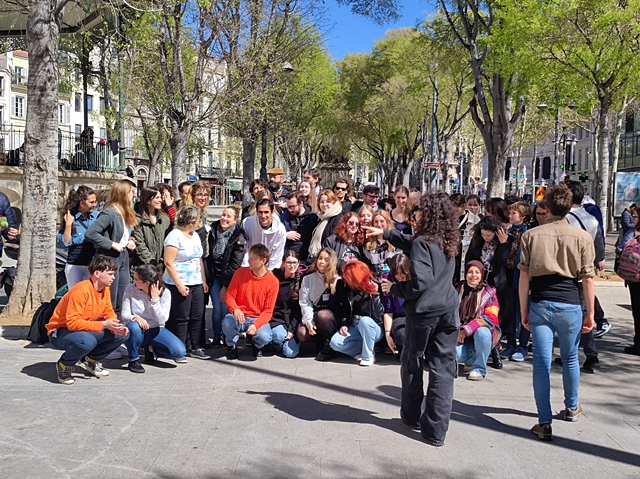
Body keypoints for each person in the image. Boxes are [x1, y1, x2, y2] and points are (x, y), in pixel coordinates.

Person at [380, 193, 461, 447]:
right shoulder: (448, 239)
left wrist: (394, 289)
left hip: (425, 313)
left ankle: (411, 416)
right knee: (442, 371)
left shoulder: (422, 242)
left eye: (419, 212)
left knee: (413, 363)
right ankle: (435, 432)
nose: (415, 217)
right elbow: (416, 245)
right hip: (449, 310)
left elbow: (421, 280)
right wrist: (387, 234)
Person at [518, 184, 595, 441]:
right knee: (571, 358)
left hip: (541, 301)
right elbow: (587, 279)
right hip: (570, 303)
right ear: (570, 206)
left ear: (547, 207)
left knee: (541, 362)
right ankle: (572, 407)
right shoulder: (582, 237)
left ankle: (544, 420)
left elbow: (524, 278)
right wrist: (590, 313)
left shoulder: (532, 236)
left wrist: (523, 310)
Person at [46, 255, 129, 385]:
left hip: (82, 329)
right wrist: (103, 324)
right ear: (97, 273)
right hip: (60, 331)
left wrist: (115, 325)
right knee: (86, 341)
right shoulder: (81, 291)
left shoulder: (105, 289)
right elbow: (73, 323)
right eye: (110, 274)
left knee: (122, 334)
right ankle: (64, 365)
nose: (113, 277)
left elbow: (108, 311)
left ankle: (91, 360)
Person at [565, 181, 605, 371]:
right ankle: (590, 355)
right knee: (582, 313)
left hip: (566, 273)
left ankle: (575, 354)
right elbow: (599, 245)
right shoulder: (592, 219)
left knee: (570, 314)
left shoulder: (564, 219)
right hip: (584, 271)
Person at [163, 205, 210, 360]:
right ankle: (179, 348)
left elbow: (199, 259)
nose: (199, 223)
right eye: (197, 220)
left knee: (197, 314)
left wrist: (203, 280)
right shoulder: (174, 236)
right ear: (190, 221)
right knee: (181, 317)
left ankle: (196, 346)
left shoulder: (195, 235)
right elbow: (168, 262)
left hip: (196, 280)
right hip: (179, 281)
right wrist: (179, 285)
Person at [465, 215, 512, 368]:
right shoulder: (477, 241)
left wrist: (503, 244)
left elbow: (501, 263)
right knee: (478, 314)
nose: (485, 238)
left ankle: (495, 348)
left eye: (489, 235)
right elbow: (469, 259)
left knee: (495, 317)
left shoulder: (504, 241)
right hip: (478, 281)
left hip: (496, 283)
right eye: (483, 234)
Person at [121, 264, 187, 372]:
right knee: (133, 327)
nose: (134, 281)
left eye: (137, 279)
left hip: (156, 328)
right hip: (137, 329)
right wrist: (136, 317)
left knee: (179, 351)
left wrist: (155, 300)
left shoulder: (165, 293)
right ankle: (134, 359)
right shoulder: (130, 289)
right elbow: (124, 315)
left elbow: (162, 320)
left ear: (146, 283)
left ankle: (151, 349)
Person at [85, 179, 137, 316]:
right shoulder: (110, 213)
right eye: (132, 192)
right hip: (109, 257)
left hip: (123, 256)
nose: (134, 195)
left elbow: (126, 233)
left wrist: (130, 241)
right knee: (111, 297)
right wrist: (111, 243)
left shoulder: (125, 212)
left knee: (123, 295)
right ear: (123, 194)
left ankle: (118, 328)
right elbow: (91, 233)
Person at [223, 243, 280, 359]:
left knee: (265, 336)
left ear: (263, 261)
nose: (249, 261)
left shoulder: (272, 282)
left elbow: (268, 311)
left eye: (253, 259)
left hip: (257, 317)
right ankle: (231, 345)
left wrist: (256, 324)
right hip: (240, 315)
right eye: (249, 258)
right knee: (227, 322)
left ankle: (257, 345)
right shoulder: (240, 273)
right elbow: (229, 296)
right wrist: (235, 309)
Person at [330, 261, 385, 366]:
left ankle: (368, 356)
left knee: (365, 321)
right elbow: (345, 309)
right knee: (335, 343)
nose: (345, 279)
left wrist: (375, 296)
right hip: (355, 323)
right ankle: (360, 351)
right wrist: (344, 324)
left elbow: (379, 315)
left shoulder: (375, 286)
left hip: (373, 326)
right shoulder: (349, 290)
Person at [455, 260, 501, 380]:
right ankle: (473, 358)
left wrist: (467, 329)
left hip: (482, 333)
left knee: (482, 333)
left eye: (477, 272)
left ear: (482, 274)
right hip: (460, 334)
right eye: (470, 272)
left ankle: (479, 368)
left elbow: (490, 318)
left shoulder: (489, 292)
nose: (473, 275)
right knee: (454, 354)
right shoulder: (458, 288)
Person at [299, 247, 341, 361]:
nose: (322, 262)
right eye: (320, 258)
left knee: (323, 316)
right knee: (302, 333)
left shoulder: (337, 279)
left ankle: (329, 344)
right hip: (314, 313)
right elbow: (305, 302)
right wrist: (309, 322)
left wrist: (333, 292)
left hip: (331, 317)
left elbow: (339, 308)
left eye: (326, 259)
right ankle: (318, 340)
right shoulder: (307, 279)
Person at [58, 186, 98, 288]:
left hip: (92, 265)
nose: (95, 205)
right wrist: (68, 225)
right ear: (82, 203)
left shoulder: (96, 216)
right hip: (75, 265)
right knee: (76, 295)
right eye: (91, 202)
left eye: (95, 202)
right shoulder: (71, 218)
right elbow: (65, 243)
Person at [505, 201, 531, 361]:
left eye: (514, 213)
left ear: (523, 215)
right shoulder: (508, 232)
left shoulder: (528, 233)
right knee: (510, 312)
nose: (510, 216)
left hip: (522, 276)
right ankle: (510, 343)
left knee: (523, 312)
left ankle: (522, 346)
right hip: (508, 275)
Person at [270, 251, 304, 358]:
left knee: (290, 353)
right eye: (289, 262)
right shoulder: (275, 278)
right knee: (279, 336)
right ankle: (277, 342)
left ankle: (287, 342)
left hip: (293, 320)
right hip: (277, 319)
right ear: (283, 263)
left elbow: (299, 310)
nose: (292, 265)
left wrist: (292, 329)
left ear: (298, 264)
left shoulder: (302, 281)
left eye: (295, 262)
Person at [131, 187, 171, 272]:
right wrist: (151, 262)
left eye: (161, 197)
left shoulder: (164, 219)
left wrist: (162, 261)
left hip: (161, 267)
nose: (160, 200)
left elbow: (168, 241)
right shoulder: (137, 219)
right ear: (148, 200)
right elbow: (139, 244)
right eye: (157, 198)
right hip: (142, 267)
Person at [242, 198, 287, 271]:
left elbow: (277, 254)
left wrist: (270, 271)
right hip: (249, 265)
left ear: (272, 212)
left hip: (268, 267)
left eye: (266, 212)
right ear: (256, 212)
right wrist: (247, 267)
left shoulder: (280, 229)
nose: (263, 216)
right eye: (260, 212)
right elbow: (244, 248)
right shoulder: (247, 223)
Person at [382, 254, 411, 357]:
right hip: (399, 318)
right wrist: (387, 333)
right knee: (402, 334)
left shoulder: (414, 281)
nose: (399, 276)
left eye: (402, 272)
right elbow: (388, 311)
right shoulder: (389, 281)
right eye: (396, 273)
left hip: (414, 316)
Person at [281, 190, 319, 264]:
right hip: (288, 259)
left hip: (306, 259)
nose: (290, 210)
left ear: (301, 203)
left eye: (293, 206)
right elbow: (275, 234)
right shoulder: (284, 217)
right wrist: (285, 235)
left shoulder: (312, 218)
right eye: (288, 206)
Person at [308, 190, 344, 264]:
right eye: (322, 202)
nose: (324, 204)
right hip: (316, 258)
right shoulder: (321, 218)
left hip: (328, 260)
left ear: (334, 202)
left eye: (328, 201)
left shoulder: (338, 218)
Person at [451, 193, 480, 283]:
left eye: (456, 209)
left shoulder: (475, 220)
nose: (453, 212)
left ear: (463, 206)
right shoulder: (447, 219)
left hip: (465, 257)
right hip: (451, 258)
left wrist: (462, 241)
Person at [622, 209, 640, 355]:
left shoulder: (634, 234)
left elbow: (621, 249)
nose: (632, 219)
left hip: (636, 279)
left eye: (635, 216)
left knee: (638, 311)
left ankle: (638, 344)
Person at [362, 210, 398, 276]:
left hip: (391, 281)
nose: (379, 225)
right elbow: (365, 266)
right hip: (373, 281)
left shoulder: (395, 240)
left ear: (387, 222)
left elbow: (398, 265)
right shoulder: (367, 242)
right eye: (376, 222)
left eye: (382, 221)